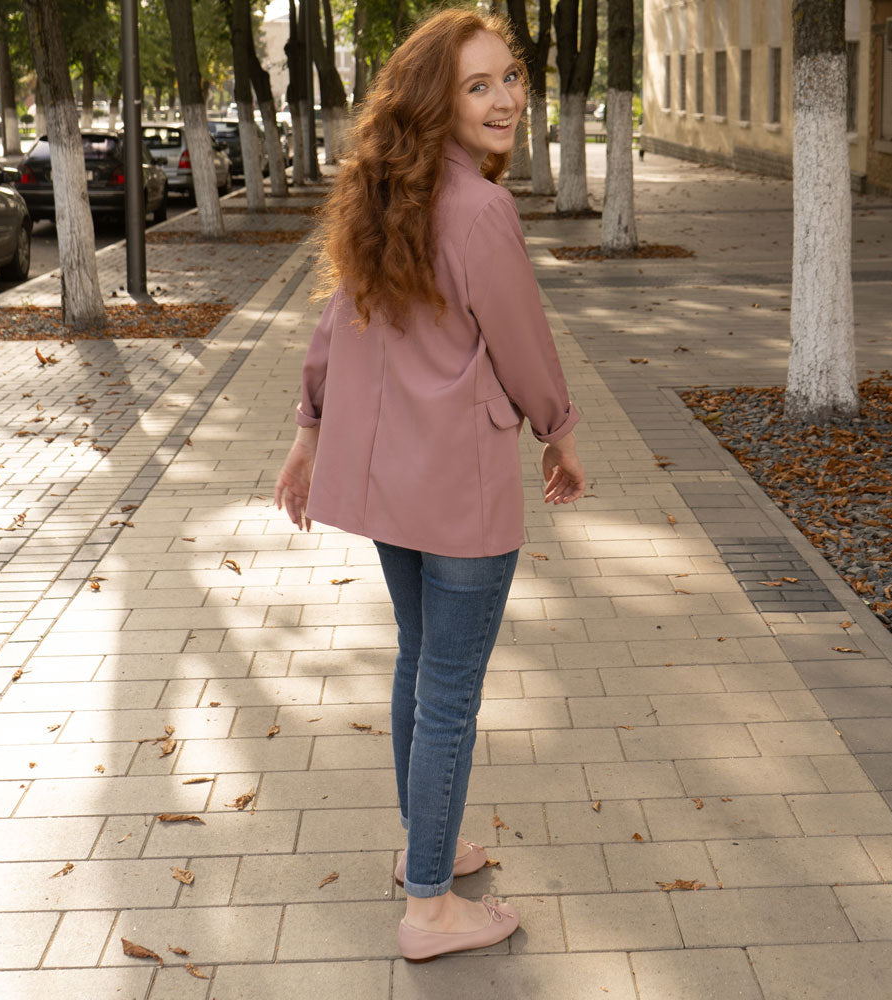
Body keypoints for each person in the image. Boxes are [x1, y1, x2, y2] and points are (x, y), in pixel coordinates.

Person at [273, 7, 585, 962]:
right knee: (448, 689)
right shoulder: (481, 210)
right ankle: (431, 908)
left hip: (388, 485)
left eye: (512, 77)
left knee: (421, 667)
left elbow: (334, 322)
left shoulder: (383, 194)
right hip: (457, 488)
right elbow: (523, 342)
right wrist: (560, 431)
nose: (505, 99)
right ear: (436, 101)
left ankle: (426, 852)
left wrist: (306, 430)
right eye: (478, 85)